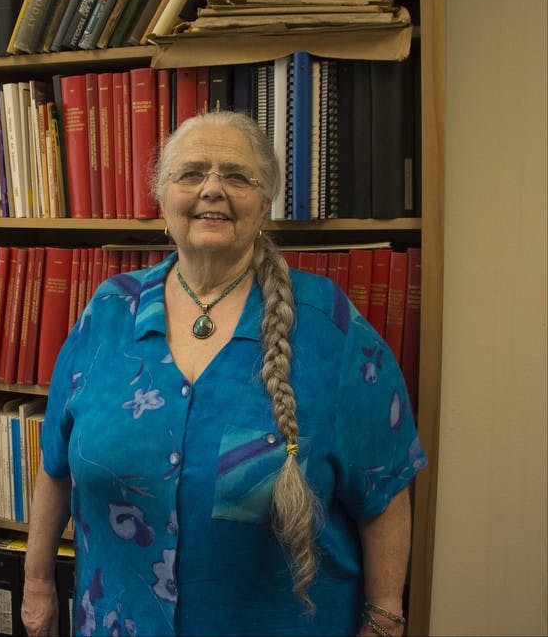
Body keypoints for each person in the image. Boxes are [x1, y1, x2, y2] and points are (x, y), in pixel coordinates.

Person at [21, 110, 427, 636]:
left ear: (264, 204)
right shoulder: (107, 311)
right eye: (191, 174)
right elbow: (56, 465)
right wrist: (35, 586)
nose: (212, 189)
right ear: (161, 199)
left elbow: (385, 486)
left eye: (236, 176)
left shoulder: (332, 328)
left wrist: (385, 617)